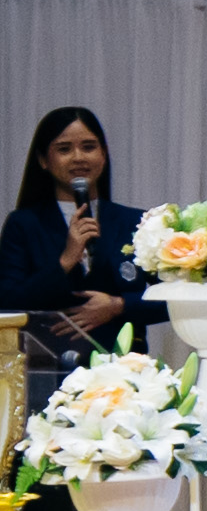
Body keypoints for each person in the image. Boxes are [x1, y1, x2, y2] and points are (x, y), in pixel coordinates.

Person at [6, 106, 144, 397]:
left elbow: (169, 299)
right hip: (47, 377)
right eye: (64, 149)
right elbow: (8, 301)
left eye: (89, 147)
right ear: (43, 160)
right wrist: (66, 260)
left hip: (124, 376)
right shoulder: (24, 224)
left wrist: (118, 305)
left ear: (103, 155)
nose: (79, 157)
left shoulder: (136, 222)